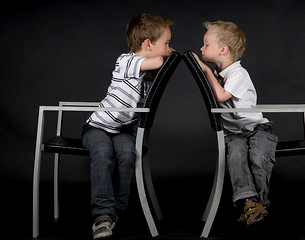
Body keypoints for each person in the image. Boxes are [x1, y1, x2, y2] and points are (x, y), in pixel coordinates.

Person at [81, 13, 173, 239]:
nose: (169, 48)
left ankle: (116, 211)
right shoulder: (127, 61)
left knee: (127, 154)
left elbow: (157, 68)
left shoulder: (147, 72)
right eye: (167, 44)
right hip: (98, 127)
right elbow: (161, 61)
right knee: (103, 154)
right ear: (148, 44)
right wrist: (168, 56)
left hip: (121, 130)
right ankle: (102, 214)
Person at [193, 20, 278, 226]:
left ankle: (260, 203)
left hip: (257, 129)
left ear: (223, 49)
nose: (201, 48)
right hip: (235, 134)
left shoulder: (238, 73)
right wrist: (207, 72)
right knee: (236, 156)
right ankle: (249, 202)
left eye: (206, 44)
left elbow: (221, 97)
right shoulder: (218, 75)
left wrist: (205, 71)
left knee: (258, 157)